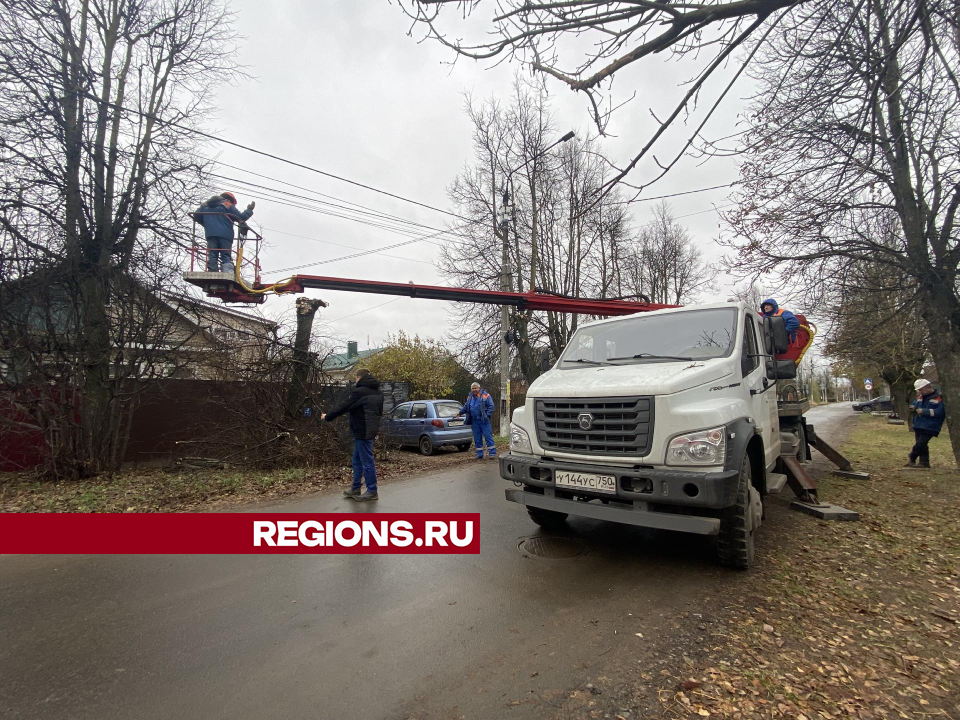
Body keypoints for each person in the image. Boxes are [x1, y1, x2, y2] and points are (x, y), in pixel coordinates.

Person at [321, 369, 385, 500]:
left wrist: (328, 416)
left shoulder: (359, 392)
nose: (355, 380)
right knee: (356, 460)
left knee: (367, 461)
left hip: (362, 430)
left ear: (359, 377)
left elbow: (344, 406)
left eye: (356, 378)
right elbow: (379, 412)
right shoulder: (378, 392)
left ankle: (372, 490)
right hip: (370, 429)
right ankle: (356, 488)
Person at [193, 192, 255, 273]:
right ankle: (227, 271)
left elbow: (196, 216)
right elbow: (241, 217)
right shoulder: (227, 205)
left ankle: (212, 270)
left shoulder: (205, 205)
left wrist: (207, 224)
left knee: (212, 253)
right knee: (225, 254)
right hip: (225, 235)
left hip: (210, 234)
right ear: (229, 200)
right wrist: (249, 210)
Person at [905, 378, 945, 469]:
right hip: (919, 424)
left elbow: (940, 412)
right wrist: (913, 407)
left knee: (920, 443)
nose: (920, 391)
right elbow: (915, 404)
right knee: (923, 445)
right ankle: (924, 463)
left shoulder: (938, 397)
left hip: (930, 426)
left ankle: (912, 456)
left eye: (921, 389)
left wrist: (924, 411)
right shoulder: (920, 397)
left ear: (928, 387)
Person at [460, 382, 496, 459]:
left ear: (479, 388)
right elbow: (466, 406)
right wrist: (459, 413)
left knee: (488, 436)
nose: (474, 390)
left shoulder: (485, 395)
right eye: (472, 388)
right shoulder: (470, 397)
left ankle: (492, 453)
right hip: (475, 421)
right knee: (477, 438)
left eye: (475, 388)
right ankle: (479, 454)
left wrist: (487, 415)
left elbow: (491, 406)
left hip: (484, 421)